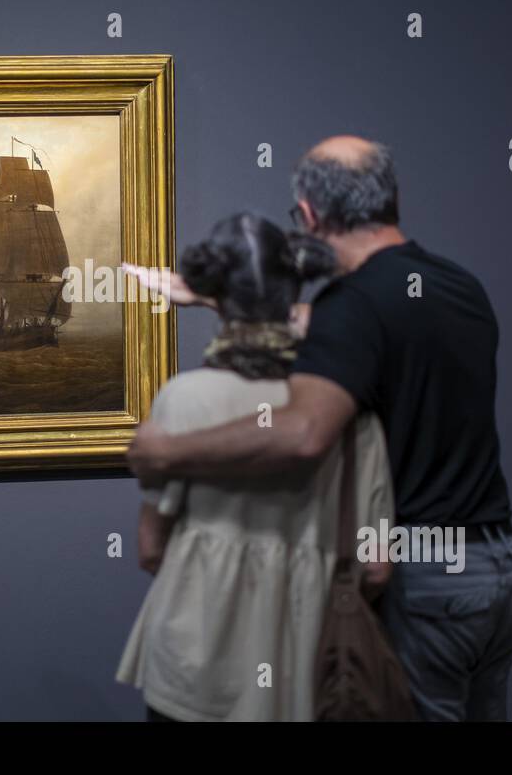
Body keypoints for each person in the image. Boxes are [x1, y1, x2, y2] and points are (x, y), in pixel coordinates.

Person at [127, 137, 512, 721]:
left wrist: (166, 451)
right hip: (497, 574)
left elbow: (303, 433)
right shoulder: (455, 284)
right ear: (391, 198)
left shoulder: (354, 306)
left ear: (311, 216)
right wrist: (224, 299)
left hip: (427, 588)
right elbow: (342, 329)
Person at [115, 213, 394, 721]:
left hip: (194, 666)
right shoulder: (351, 411)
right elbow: (376, 565)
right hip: (310, 668)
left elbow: (150, 548)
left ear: (213, 294)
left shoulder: (184, 399)